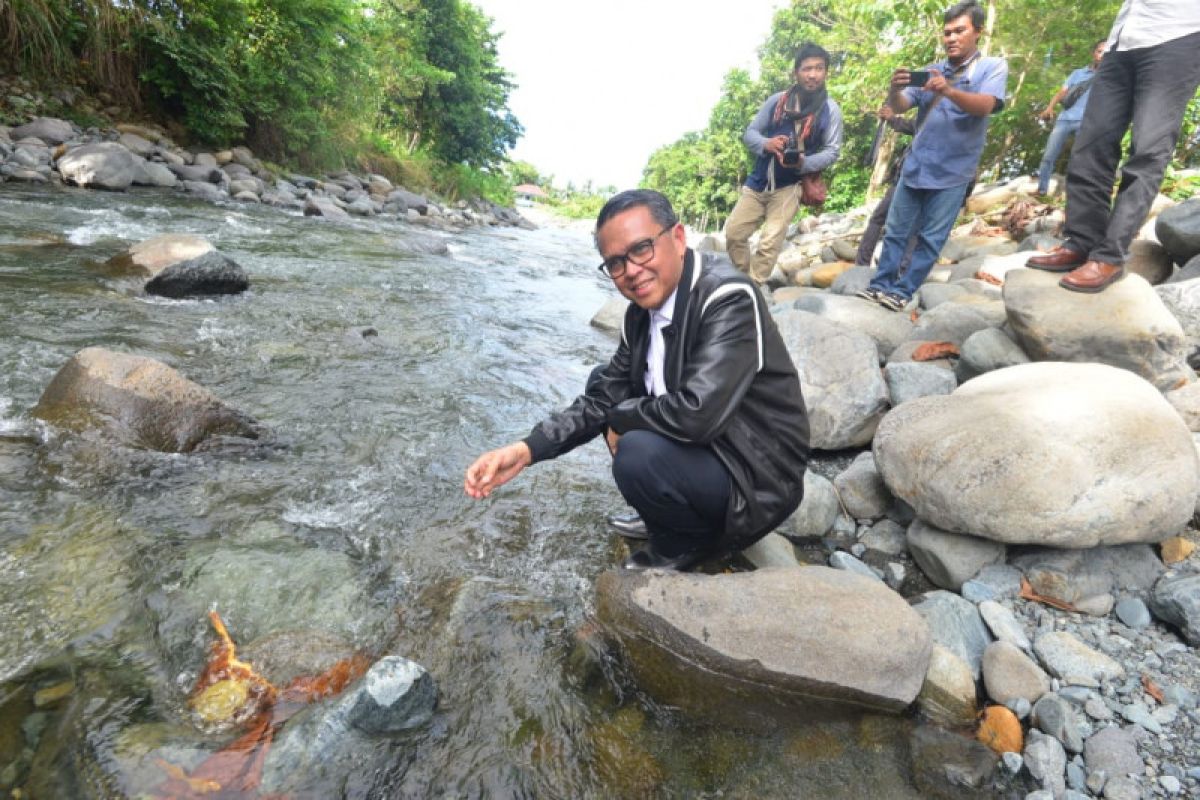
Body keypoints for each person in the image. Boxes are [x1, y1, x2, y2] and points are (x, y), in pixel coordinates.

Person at [464, 190, 810, 571]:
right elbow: (602, 399)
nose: (630, 270)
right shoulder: (639, 316)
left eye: (642, 249)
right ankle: (664, 516)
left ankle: (684, 546)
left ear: (677, 239)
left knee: (637, 452)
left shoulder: (728, 298)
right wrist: (526, 450)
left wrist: (620, 417)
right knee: (605, 384)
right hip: (711, 449)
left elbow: (698, 415)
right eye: (615, 262)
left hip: (757, 475)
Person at [1026, 2, 1200, 293]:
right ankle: (1081, 241)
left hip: (1178, 33)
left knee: (1148, 150)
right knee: (1091, 143)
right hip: (1121, 40)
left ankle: (1109, 256)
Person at [858, 1, 1008, 312]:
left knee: (930, 238)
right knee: (896, 230)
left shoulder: (991, 67)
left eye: (959, 31)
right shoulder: (931, 70)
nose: (951, 38)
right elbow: (900, 106)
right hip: (916, 166)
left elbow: (987, 106)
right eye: (947, 33)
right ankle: (880, 285)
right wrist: (892, 89)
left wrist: (949, 91)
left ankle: (903, 291)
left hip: (954, 172)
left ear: (977, 32)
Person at [724, 42, 843, 285]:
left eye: (819, 68)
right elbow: (750, 133)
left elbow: (832, 151)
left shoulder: (830, 110)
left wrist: (804, 162)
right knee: (734, 233)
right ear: (796, 72)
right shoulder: (777, 102)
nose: (812, 75)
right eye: (807, 68)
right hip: (758, 181)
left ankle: (755, 285)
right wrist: (766, 144)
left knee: (770, 241)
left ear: (826, 72)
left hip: (790, 185)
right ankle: (741, 278)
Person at [1035, 39, 1107, 196]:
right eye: (1100, 51)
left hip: (1087, 122)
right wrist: (1050, 107)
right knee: (1048, 156)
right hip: (1065, 119)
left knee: (1079, 159)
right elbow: (1062, 92)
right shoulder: (1078, 73)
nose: (1102, 55)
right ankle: (1042, 190)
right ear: (1094, 53)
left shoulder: (1108, 77)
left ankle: (1073, 195)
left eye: (1106, 52)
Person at [855, 104, 917, 269]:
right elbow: (915, 126)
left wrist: (893, 119)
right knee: (884, 219)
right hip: (906, 176)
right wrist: (892, 118)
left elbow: (917, 126)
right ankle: (866, 265)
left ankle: (897, 269)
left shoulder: (944, 109)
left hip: (914, 177)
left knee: (888, 220)